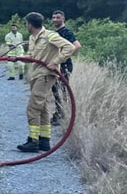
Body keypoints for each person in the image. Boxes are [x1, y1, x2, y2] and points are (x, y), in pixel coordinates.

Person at [14, 12, 75, 152]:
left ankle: (33, 140)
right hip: (36, 74)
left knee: (33, 107)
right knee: (42, 107)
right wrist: (18, 57)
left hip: (45, 75)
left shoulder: (50, 35)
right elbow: (31, 56)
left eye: (26, 23)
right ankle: (44, 141)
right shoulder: (32, 38)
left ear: (29, 24)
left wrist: (55, 62)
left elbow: (69, 47)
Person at [50, 10, 82, 125]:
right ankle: (58, 113)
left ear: (63, 18)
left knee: (61, 90)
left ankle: (61, 115)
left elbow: (77, 46)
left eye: (57, 17)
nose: (55, 20)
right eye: (53, 18)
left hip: (64, 65)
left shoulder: (66, 32)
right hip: (57, 65)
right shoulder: (55, 32)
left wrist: (65, 56)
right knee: (55, 90)